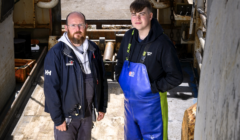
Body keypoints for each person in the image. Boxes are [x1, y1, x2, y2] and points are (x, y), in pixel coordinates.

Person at [115, 0, 183, 140]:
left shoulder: (162, 43)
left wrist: (152, 88)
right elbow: (120, 62)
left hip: (153, 106)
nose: (137, 18)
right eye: (134, 15)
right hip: (130, 105)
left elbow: (176, 76)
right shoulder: (128, 37)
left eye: (142, 14)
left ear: (151, 16)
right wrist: (120, 79)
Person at [44, 12, 108, 140]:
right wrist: (57, 119)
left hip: (87, 114)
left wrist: (101, 106)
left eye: (81, 25)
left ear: (86, 26)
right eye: (73, 25)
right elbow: (50, 89)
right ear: (66, 28)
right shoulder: (57, 53)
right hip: (67, 118)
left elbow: (101, 80)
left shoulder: (93, 49)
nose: (77, 29)